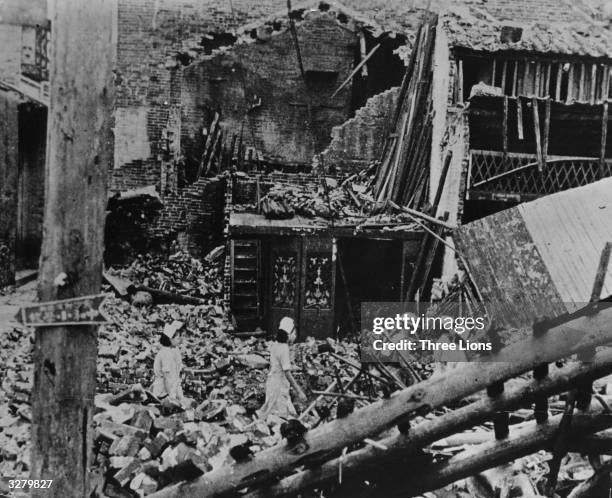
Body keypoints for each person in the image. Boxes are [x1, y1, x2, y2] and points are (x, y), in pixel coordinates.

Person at [258, 317, 307, 420]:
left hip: (272, 381)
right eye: (294, 334)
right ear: (288, 334)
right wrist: (299, 391)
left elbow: (278, 364)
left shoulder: (275, 345)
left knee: (273, 413)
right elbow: (287, 373)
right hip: (279, 386)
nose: (295, 336)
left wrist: (293, 367)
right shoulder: (284, 348)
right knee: (280, 417)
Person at [151, 322, 185, 406]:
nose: (179, 340)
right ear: (170, 339)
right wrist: (172, 397)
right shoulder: (166, 354)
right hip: (163, 390)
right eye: (177, 338)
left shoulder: (168, 351)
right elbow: (167, 378)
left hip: (169, 387)